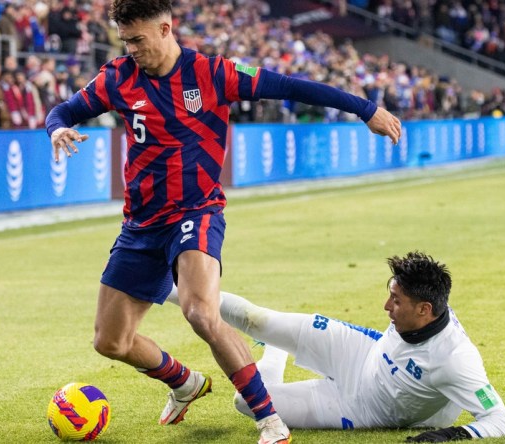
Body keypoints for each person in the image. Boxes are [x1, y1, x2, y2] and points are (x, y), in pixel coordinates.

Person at [44, 1, 401, 443]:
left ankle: (270, 421)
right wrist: (56, 128)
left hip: (197, 212)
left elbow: (291, 86)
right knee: (110, 342)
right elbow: (63, 110)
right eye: (125, 40)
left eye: (138, 39)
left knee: (199, 310)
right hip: (140, 226)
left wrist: (366, 109)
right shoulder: (116, 78)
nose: (131, 48)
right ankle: (184, 383)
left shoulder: (214, 73)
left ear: (165, 29)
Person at [164, 252, 505, 442]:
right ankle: (158, 288)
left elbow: (501, 420)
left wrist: (451, 434)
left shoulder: (455, 359)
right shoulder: (423, 309)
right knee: (258, 319)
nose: (385, 306)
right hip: (361, 351)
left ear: (424, 310)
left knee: (246, 402)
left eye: (396, 300)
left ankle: (274, 352)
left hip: (359, 407)